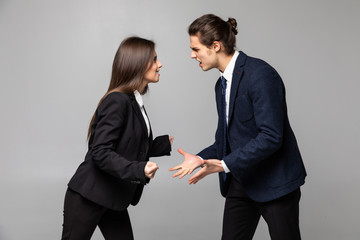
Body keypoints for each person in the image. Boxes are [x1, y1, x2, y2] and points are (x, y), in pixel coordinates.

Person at [170, 14, 306, 240]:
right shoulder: (220, 85)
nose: (192, 55)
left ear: (215, 46)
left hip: (276, 184)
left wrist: (224, 164)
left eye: (196, 49)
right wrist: (200, 159)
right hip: (241, 182)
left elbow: (271, 136)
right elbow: (228, 139)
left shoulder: (261, 75)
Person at [61, 36, 173, 240]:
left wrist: (161, 145)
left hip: (113, 196)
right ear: (138, 64)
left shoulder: (134, 100)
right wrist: (139, 169)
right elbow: (100, 152)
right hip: (89, 195)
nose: (160, 64)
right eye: (155, 59)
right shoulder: (118, 100)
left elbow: (129, 143)